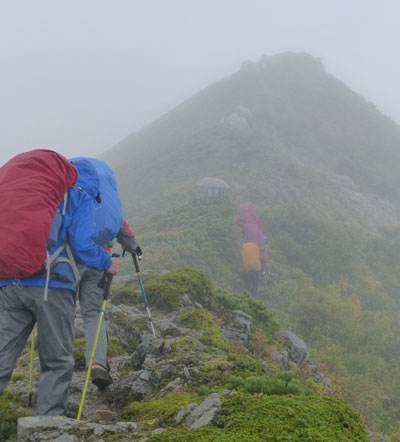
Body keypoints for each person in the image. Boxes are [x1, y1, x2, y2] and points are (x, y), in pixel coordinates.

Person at [0, 155, 120, 416]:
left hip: (10, 281)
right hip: (51, 286)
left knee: (2, 357)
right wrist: (106, 261)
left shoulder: (40, 192)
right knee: (57, 361)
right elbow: (82, 244)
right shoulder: (80, 193)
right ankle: (48, 423)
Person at [78, 219, 141, 389]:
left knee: (59, 312)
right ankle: (97, 364)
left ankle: (56, 368)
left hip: (65, 259)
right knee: (94, 314)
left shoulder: (66, 192)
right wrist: (133, 246)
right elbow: (118, 221)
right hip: (99, 259)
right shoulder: (105, 193)